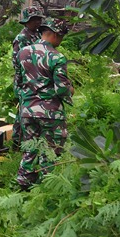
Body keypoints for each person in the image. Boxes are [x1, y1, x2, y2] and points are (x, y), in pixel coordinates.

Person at [16, 17, 74, 190]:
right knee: (51, 149)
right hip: (49, 112)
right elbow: (61, 88)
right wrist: (70, 91)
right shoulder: (57, 57)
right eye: (61, 38)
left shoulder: (23, 52)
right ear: (55, 35)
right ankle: (46, 186)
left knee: (30, 147)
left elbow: (19, 81)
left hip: (27, 110)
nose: (60, 42)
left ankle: (23, 183)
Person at [11, 6, 46, 149]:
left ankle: (32, 141)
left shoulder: (39, 36)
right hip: (25, 81)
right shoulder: (21, 38)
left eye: (39, 19)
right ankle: (17, 142)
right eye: (34, 19)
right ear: (27, 21)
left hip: (38, 80)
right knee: (23, 113)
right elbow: (17, 62)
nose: (37, 22)